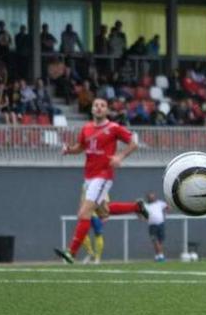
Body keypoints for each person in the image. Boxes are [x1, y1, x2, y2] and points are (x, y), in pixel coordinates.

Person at [54, 97, 142, 264]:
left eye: (103, 105)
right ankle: (136, 206)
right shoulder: (86, 128)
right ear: (92, 109)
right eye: (96, 105)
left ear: (107, 110)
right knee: (104, 211)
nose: (99, 108)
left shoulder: (114, 128)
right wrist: (69, 150)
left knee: (84, 213)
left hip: (103, 176)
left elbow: (134, 143)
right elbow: (80, 147)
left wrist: (120, 156)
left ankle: (71, 253)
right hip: (88, 177)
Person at [141, 191, 169, 262]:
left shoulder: (159, 203)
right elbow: (140, 212)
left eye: (153, 197)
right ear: (148, 198)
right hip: (152, 225)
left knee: (160, 241)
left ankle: (157, 256)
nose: (152, 198)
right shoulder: (146, 205)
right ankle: (161, 256)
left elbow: (167, 207)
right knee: (155, 241)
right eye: (150, 197)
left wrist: (165, 214)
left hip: (160, 224)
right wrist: (142, 217)